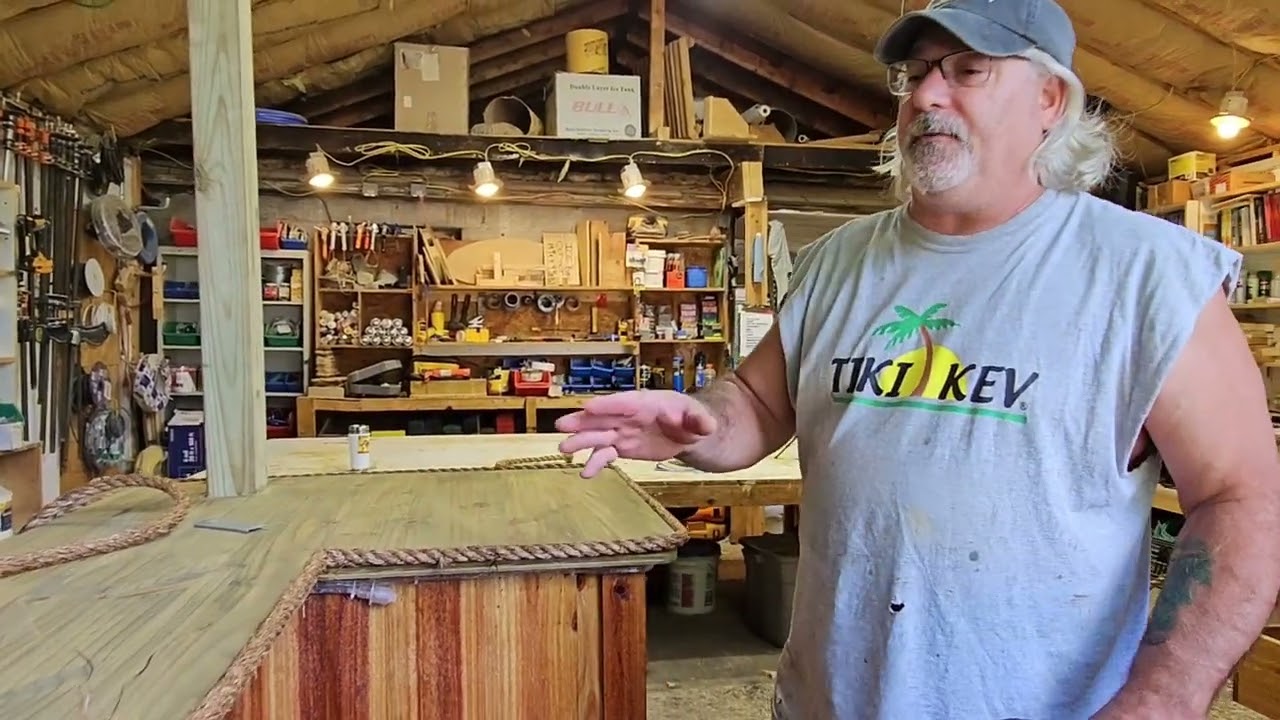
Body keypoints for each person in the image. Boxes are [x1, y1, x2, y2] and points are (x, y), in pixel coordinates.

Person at [557, 0, 1280, 717]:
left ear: (1050, 99)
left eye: (968, 70)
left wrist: (1162, 700)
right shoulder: (836, 264)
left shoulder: (1148, 276)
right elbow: (756, 404)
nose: (927, 96)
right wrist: (698, 422)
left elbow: (1243, 501)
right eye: (914, 76)